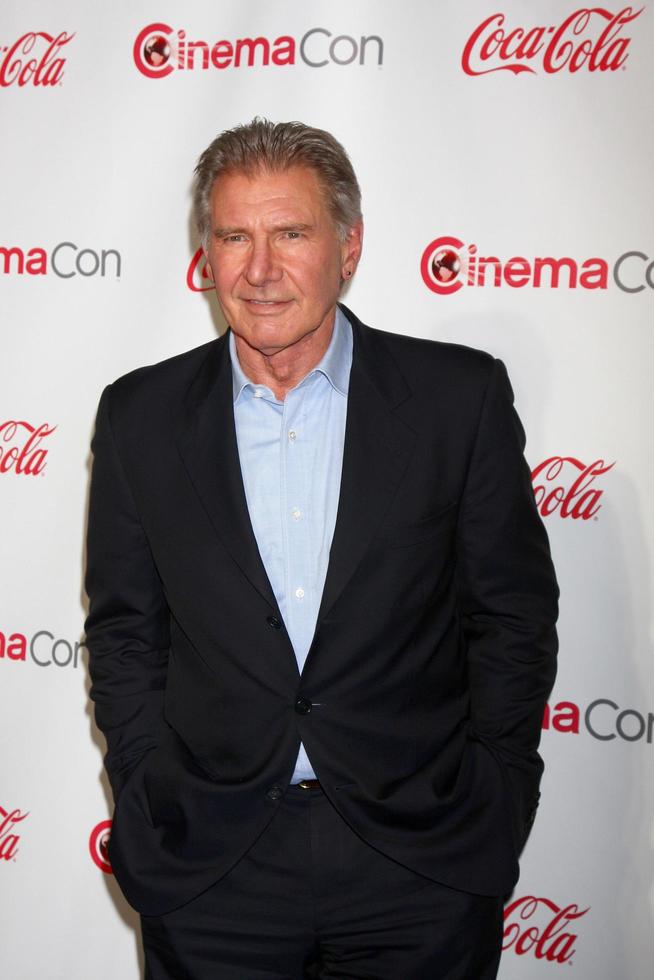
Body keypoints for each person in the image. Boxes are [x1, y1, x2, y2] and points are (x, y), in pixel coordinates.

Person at [85, 118, 558, 979]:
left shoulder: (459, 399)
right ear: (208, 252)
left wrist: (499, 792)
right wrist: (148, 784)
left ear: (349, 247)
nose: (259, 270)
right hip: (215, 867)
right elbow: (124, 633)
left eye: (291, 234)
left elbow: (513, 617)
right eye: (234, 236)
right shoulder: (138, 417)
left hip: (419, 863)